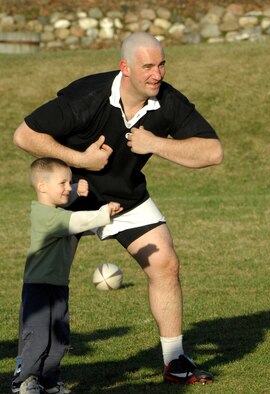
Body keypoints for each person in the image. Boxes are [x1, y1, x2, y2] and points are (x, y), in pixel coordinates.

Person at [12, 32, 223, 384]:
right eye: (148, 67)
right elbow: (25, 135)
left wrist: (154, 142)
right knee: (46, 280)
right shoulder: (88, 97)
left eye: (161, 65)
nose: (157, 74)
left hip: (124, 197)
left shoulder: (167, 101)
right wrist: (81, 159)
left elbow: (212, 151)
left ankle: (175, 362)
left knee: (165, 264)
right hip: (71, 194)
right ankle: (30, 371)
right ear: (125, 67)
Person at [12, 158, 122, 394]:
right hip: (38, 289)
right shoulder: (45, 216)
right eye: (63, 183)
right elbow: (77, 221)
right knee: (38, 336)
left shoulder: (54, 211)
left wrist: (75, 191)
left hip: (58, 286)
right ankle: (26, 381)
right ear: (42, 186)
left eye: (69, 182)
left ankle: (50, 381)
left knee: (59, 336)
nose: (68, 187)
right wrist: (104, 213)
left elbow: (67, 206)